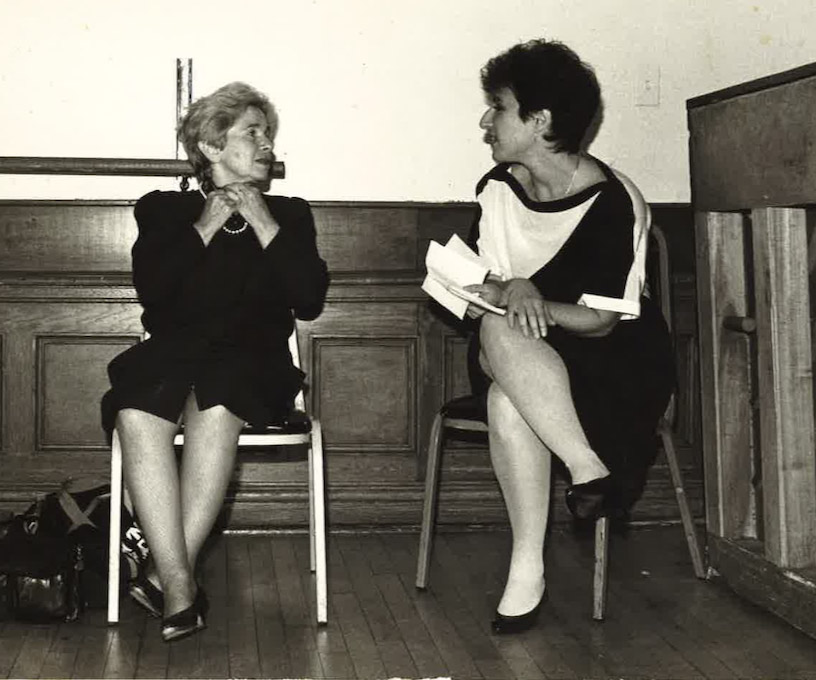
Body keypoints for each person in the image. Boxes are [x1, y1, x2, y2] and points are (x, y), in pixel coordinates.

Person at [100, 82, 329, 642]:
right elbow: (153, 290)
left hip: (254, 358)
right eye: (252, 132)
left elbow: (308, 297)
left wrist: (262, 221)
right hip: (175, 350)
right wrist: (208, 220)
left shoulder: (291, 215)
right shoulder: (165, 210)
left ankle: (170, 585)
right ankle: (179, 582)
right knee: (136, 412)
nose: (265, 142)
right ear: (210, 147)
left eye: (267, 132)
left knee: (221, 405)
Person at [462, 40, 674, 634]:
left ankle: (528, 566)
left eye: (498, 108)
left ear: (540, 121)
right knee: (498, 331)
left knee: (509, 389)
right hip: (525, 353)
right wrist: (515, 289)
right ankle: (588, 473)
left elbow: (604, 320)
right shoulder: (498, 188)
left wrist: (529, 297)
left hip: (614, 362)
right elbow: (475, 284)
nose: (486, 121)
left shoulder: (614, 200)